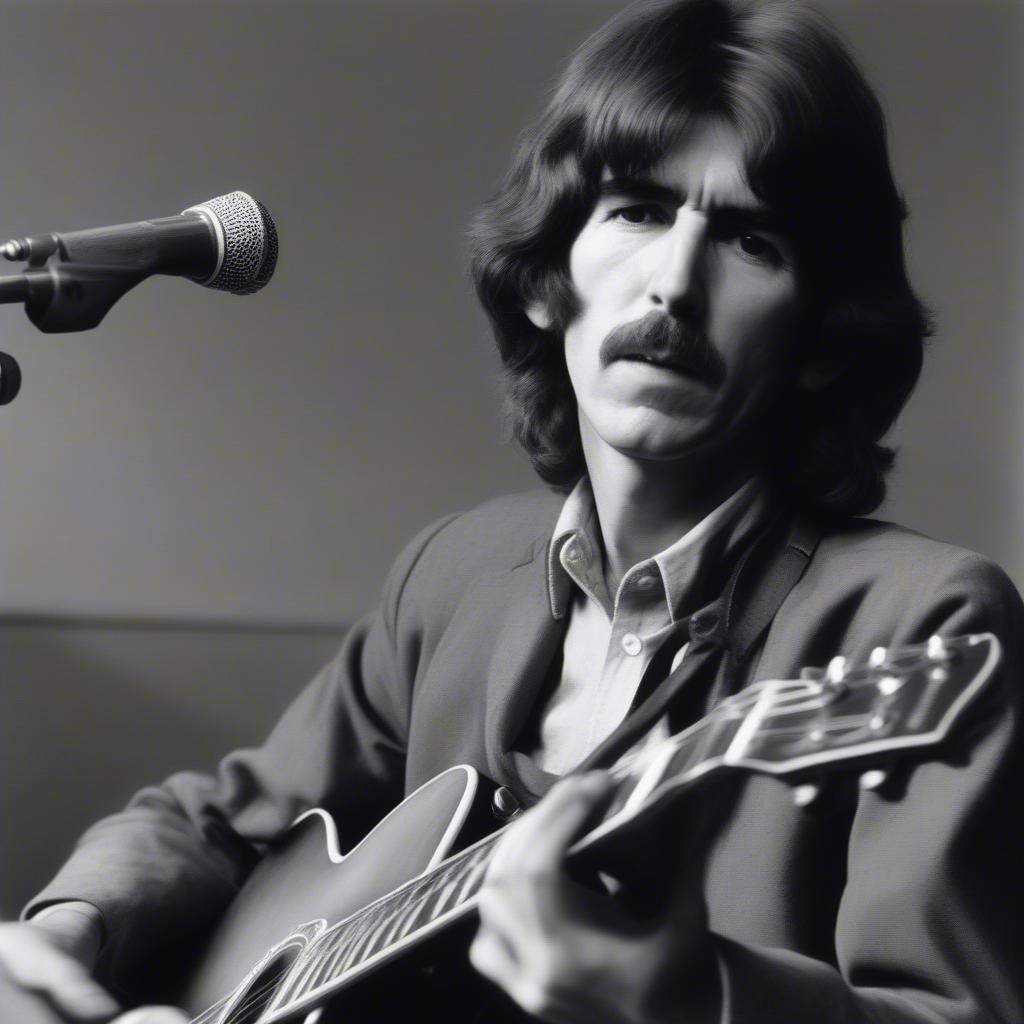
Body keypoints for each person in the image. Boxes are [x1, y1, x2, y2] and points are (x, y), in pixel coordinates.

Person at [3, 0, 1022, 1021]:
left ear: (821, 336)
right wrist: (67, 929)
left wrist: (698, 994)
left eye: (751, 241)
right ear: (544, 280)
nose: (674, 283)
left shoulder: (920, 621)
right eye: (636, 210)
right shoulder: (450, 577)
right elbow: (219, 821)